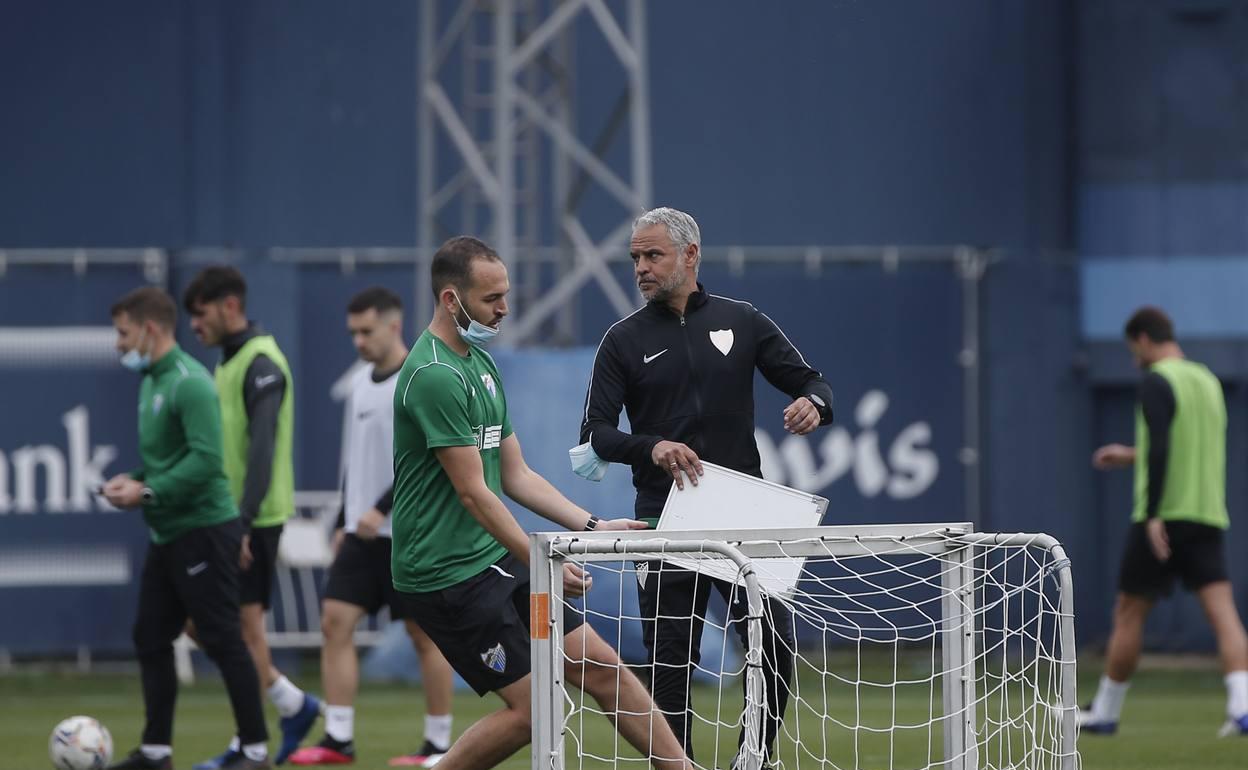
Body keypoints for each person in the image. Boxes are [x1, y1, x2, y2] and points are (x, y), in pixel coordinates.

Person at [388, 235, 693, 770]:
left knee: (605, 669)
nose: (504, 308)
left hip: (493, 559)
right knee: (535, 712)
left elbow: (516, 475)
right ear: (450, 300)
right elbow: (474, 493)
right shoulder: (434, 375)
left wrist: (591, 525)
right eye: (491, 299)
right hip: (446, 576)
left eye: (505, 294)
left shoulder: (479, 363)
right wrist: (544, 559)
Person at [577, 207, 835, 765]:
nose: (641, 268)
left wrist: (813, 404)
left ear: (690, 255)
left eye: (653, 255)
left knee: (776, 646)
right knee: (671, 660)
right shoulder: (621, 340)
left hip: (744, 510)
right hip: (664, 515)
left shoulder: (742, 320)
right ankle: (678, 765)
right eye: (635, 258)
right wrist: (651, 446)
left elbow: (813, 381)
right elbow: (595, 434)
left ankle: (756, 756)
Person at [103, 287, 271, 770]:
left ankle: (255, 751)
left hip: (203, 530)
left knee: (222, 638)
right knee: (150, 636)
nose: (118, 344)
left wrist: (147, 492)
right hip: (168, 533)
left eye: (123, 332)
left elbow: (205, 461)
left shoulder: (189, 382)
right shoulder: (151, 382)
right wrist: (131, 481)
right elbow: (167, 461)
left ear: (150, 328)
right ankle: (156, 752)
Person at [289, 287, 456, 767]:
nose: (359, 341)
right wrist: (345, 517)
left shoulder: (418, 378)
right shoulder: (362, 382)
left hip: (410, 532)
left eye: (367, 331)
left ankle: (438, 745)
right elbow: (353, 461)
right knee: (334, 622)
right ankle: (338, 738)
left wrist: (381, 509)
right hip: (362, 538)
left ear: (393, 325)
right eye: (353, 333)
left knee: (425, 637)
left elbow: (425, 458)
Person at [1079, 306, 1248, 737]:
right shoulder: (1207, 381)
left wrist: (1153, 513)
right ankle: (1243, 706)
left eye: (1132, 348)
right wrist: (1130, 455)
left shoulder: (1158, 380)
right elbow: (1182, 448)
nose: (1133, 357)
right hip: (1207, 513)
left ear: (1142, 339)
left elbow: (1161, 449)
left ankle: (1105, 712)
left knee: (1129, 613)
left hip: (1163, 517)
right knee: (1224, 615)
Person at [182, 266, 321, 767]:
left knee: (235, 629)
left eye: (199, 315)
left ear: (230, 307)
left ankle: (252, 742)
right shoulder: (227, 362)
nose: (194, 326)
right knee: (211, 625)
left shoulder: (262, 362)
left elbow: (262, 452)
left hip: (251, 521)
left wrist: (240, 523)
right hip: (228, 518)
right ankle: (290, 706)